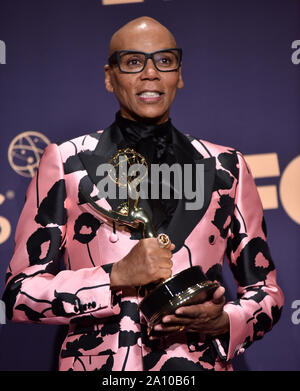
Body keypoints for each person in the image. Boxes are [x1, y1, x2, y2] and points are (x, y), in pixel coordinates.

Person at [2, 16, 284, 371]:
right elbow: (18, 294)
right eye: (133, 62)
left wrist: (224, 321)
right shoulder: (65, 161)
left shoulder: (227, 167)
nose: (150, 73)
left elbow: (266, 293)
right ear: (109, 77)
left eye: (164, 61)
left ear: (178, 74)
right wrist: (114, 276)